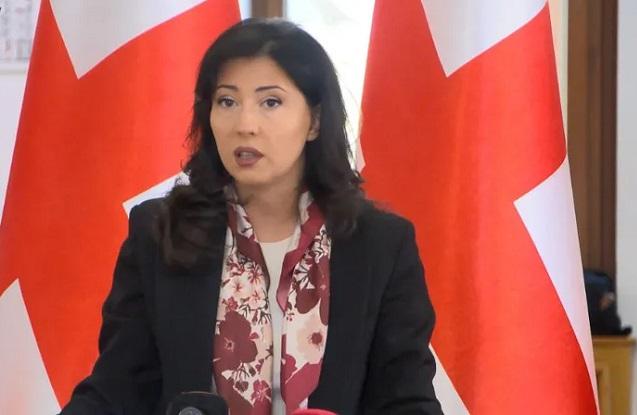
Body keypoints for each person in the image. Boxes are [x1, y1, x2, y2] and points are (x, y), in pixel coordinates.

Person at [60, 18, 442, 415]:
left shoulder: (379, 244)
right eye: (227, 101)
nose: (245, 125)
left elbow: (407, 402)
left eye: (270, 102)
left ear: (314, 121)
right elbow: (116, 390)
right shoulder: (159, 231)